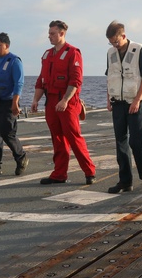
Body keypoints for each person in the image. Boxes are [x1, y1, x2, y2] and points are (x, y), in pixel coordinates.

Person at [32, 20, 96, 185]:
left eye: (52, 33)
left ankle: (90, 172)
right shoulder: (47, 54)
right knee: (57, 138)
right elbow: (41, 80)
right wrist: (35, 100)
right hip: (51, 101)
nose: (49, 36)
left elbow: (75, 81)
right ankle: (59, 174)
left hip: (67, 101)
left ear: (62, 34)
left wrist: (65, 100)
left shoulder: (73, 53)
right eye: (49, 33)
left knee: (74, 137)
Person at [105, 21, 142, 194]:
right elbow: (110, 76)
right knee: (121, 143)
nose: (114, 45)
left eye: (116, 42)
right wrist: (108, 99)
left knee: (137, 142)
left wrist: (137, 100)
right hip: (118, 103)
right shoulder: (111, 53)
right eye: (111, 42)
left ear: (123, 36)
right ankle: (125, 181)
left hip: (135, 103)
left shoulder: (139, 50)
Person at [0, 32, 29, 176]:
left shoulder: (14, 61)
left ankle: (21, 158)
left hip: (8, 102)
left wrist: (15, 103)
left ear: (6, 45)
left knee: (8, 134)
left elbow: (18, 83)